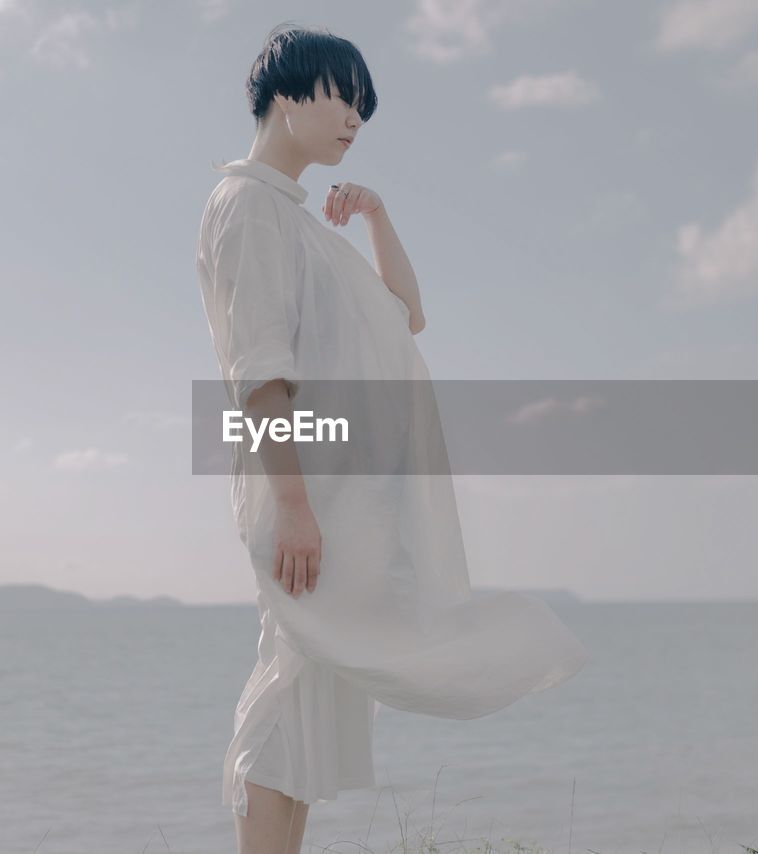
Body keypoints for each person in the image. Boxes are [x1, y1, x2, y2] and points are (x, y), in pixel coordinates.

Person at [195, 22, 590, 854]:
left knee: (312, 707)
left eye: (363, 109)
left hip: (343, 504)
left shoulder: (302, 224)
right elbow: (257, 372)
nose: (354, 120)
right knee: (285, 695)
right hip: (307, 500)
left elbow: (406, 313)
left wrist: (375, 213)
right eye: (343, 96)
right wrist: (296, 509)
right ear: (285, 91)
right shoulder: (247, 206)